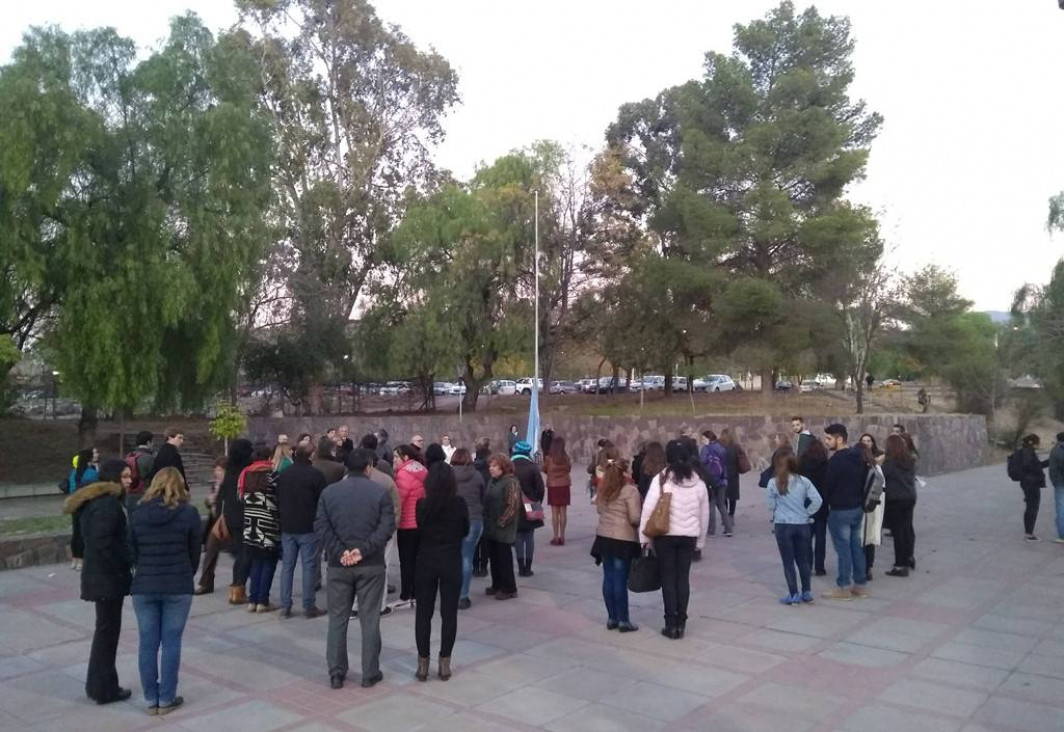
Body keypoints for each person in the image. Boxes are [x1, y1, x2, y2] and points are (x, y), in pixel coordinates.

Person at [316, 449, 395, 689]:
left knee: (337, 619)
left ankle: (336, 672)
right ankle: (370, 672)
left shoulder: (329, 493)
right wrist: (363, 550)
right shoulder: (380, 493)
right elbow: (387, 527)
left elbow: (321, 526)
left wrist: (340, 552)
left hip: (339, 566)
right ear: (369, 467)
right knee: (369, 619)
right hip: (370, 565)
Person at [129, 467, 201, 716]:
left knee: (147, 643)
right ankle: (167, 697)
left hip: (145, 585)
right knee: (171, 643)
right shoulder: (189, 513)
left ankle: (151, 699)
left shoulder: (138, 513)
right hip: (178, 585)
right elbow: (195, 552)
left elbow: (132, 550)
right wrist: (186, 573)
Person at [63, 458, 132, 704]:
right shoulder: (107, 505)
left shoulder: (98, 502)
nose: (129, 480)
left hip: (102, 577)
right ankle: (104, 688)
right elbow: (105, 544)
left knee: (106, 632)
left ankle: (102, 685)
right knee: (107, 633)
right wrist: (124, 564)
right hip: (107, 579)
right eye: (124, 476)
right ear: (113, 479)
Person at [639, 440, 709, 640]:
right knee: (683, 579)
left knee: (668, 579)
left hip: (665, 536)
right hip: (688, 537)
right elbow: (704, 515)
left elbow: (648, 510)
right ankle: (681, 623)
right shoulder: (699, 482)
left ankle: (670, 624)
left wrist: (644, 538)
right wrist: (700, 542)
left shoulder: (661, 480)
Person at [414, 462, 469, 682]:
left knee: (423, 614)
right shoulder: (459, 504)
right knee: (449, 614)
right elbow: (465, 530)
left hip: (426, 561)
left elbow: (419, 529)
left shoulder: (422, 505)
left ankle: (423, 664)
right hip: (450, 561)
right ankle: (444, 663)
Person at [195, 439, 253, 597]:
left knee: (230, 551)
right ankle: (237, 586)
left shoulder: (231, 472)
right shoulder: (247, 470)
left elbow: (221, 497)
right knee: (243, 553)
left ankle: (230, 586)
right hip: (243, 517)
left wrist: (222, 515)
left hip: (227, 517)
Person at [276, 443, 327, 618]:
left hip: (288, 526)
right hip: (308, 526)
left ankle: (285, 605)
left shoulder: (284, 474)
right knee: (309, 567)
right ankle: (308, 606)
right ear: (311, 455)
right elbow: (322, 502)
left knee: (287, 567)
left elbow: (278, 499)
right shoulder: (316, 475)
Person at [591, 456, 641, 632]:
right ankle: (623, 620)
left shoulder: (603, 489)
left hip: (604, 538)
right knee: (620, 579)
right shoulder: (630, 491)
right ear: (624, 472)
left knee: (608, 577)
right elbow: (635, 517)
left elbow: (599, 510)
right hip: (622, 539)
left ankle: (611, 617)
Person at [765, 452, 822, 605]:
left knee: (788, 561)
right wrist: (807, 512)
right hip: (802, 524)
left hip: (783, 524)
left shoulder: (773, 482)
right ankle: (807, 591)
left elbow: (770, 505)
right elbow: (817, 500)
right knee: (803, 560)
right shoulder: (804, 481)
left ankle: (793, 594)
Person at [822, 424, 870, 600]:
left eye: (829, 438)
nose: (826, 442)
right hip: (857, 508)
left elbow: (827, 486)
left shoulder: (836, 460)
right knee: (856, 547)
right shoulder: (858, 457)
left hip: (840, 510)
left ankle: (843, 587)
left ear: (839, 438)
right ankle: (860, 585)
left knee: (843, 549)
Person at [241, 443, 281, 612]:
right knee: (268, 562)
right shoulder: (272, 474)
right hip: (268, 523)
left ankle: (253, 599)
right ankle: (262, 601)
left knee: (256, 561)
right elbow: (280, 496)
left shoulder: (247, 473)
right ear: (268, 457)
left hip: (251, 523)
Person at [483, 454, 521, 600]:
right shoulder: (493, 481)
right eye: (490, 466)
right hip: (491, 525)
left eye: (494, 466)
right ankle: (497, 584)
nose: (491, 469)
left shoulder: (511, 482)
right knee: (494, 557)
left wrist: (502, 521)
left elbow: (513, 505)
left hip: (503, 527)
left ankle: (509, 588)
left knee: (503, 558)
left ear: (503, 467)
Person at [452, 448, 485, 609]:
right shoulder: (477, 475)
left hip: (453, 520)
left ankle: (451, 592)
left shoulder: (449, 475)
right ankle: (463, 596)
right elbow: (482, 497)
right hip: (474, 518)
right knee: (467, 556)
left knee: (454, 557)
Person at [395, 444, 427, 603]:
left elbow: (398, 501)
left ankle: (406, 593)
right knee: (418, 559)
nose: (394, 460)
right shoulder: (421, 469)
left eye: (396, 457)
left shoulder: (403, 474)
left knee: (406, 560)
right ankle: (418, 590)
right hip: (420, 522)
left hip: (407, 523)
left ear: (405, 458)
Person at [882, 434, 918, 576]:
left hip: (895, 500)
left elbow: (881, 476)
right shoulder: (909, 461)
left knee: (898, 533)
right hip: (910, 498)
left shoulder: (890, 464)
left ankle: (900, 565)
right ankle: (909, 557)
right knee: (907, 528)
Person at [512, 441, 545, 577]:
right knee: (529, 536)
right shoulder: (532, 467)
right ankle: (528, 568)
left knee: (518, 536)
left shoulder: (510, 466)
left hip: (514, 503)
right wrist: (537, 500)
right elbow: (541, 488)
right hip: (530, 502)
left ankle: (520, 568)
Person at [798, 439, 831, 577]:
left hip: (806, 503)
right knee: (821, 537)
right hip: (822, 504)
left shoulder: (802, 464)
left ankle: (808, 564)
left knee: (806, 537)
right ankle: (820, 567)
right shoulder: (826, 465)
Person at [68, 447, 100, 571]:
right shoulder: (91, 473)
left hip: (74, 504)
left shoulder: (74, 472)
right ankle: (82, 560)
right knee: (83, 533)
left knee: (76, 532)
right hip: (86, 505)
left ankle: (75, 559)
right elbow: (97, 488)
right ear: (89, 458)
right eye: (94, 454)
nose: (96, 455)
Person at [858, 437, 885, 581]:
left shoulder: (862, 468)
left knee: (862, 538)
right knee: (869, 539)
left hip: (864, 507)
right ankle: (868, 568)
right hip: (873, 507)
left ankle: (864, 567)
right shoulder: (876, 467)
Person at [1017, 434, 1050, 541]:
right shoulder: (1028, 452)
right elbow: (1029, 465)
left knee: (1031, 506)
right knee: (1032, 507)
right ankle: (1029, 534)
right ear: (1034, 443)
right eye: (1038, 443)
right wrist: (1037, 471)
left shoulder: (1027, 451)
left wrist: (1048, 462)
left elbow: (1037, 465)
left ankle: (1029, 532)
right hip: (1030, 483)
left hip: (1028, 482)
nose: (1038, 445)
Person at [700, 431, 732, 538]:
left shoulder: (705, 449)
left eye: (703, 438)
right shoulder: (721, 447)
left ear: (708, 439)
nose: (702, 441)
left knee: (711, 505)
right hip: (723, 479)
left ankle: (711, 530)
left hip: (710, 481)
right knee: (722, 504)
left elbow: (702, 462)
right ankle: (728, 529)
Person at [543, 436, 572, 546]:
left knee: (555, 512)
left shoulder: (549, 459)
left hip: (553, 486)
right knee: (563, 511)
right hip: (564, 485)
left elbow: (544, 469)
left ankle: (555, 537)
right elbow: (569, 469)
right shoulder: (566, 458)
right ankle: (562, 536)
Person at [472, 438, 493, 577]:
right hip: (487, 508)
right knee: (485, 540)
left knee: (474, 540)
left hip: (474, 509)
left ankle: (475, 567)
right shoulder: (490, 470)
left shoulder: (472, 469)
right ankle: (484, 566)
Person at [125, 431, 156, 514]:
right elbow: (155, 477)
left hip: (130, 493)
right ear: (148, 442)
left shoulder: (129, 456)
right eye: (152, 442)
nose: (153, 444)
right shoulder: (149, 458)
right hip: (144, 493)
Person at [719, 428, 745, 519]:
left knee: (724, 495)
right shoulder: (736, 446)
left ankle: (725, 515)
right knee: (733, 496)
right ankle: (731, 515)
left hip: (722, 473)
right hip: (733, 473)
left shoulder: (719, 446)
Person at [1051, 432, 1064, 544]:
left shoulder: (1057, 450)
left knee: (1061, 510)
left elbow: (1054, 468)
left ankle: (1062, 536)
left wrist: (1054, 481)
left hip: (1060, 483)